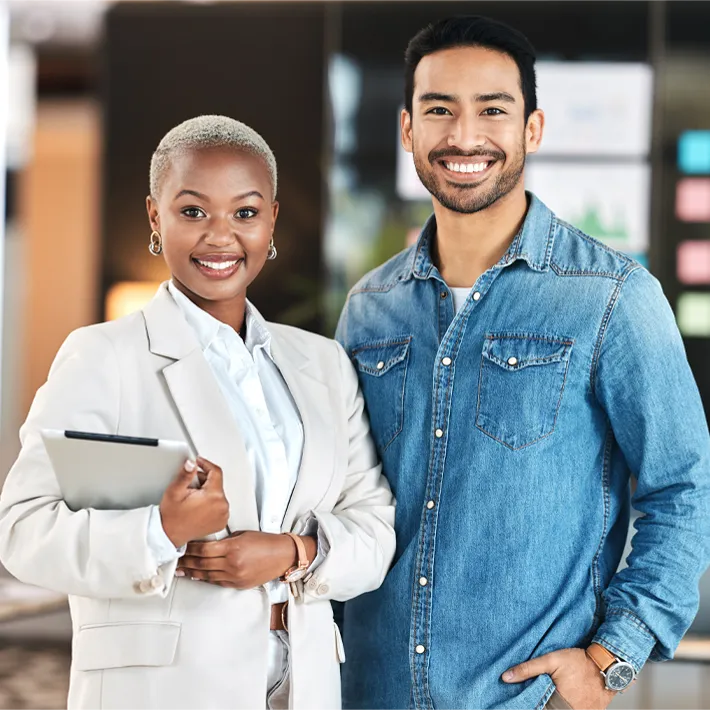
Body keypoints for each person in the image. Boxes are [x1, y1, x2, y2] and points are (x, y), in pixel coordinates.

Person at [335, 15, 710, 710]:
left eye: (493, 110)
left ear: (531, 130)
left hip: (525, 702)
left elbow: (684, 489)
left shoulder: (612, 298)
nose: (465, 136)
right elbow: (337, 495)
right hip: (367, 690)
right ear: (407, 130)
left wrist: (610, 660)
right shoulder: (369, 306)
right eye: (439, 109)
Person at [0, 115, 396, 710]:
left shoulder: (323, 364)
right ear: (156, 218)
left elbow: (374, 528)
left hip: (306, 687)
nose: (220, 236)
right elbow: (23, 531)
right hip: (163, 691)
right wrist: (160, 530)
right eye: (192, 211)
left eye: (245, 212)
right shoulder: (102, 356)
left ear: (271, 221)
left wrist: (293, 554)